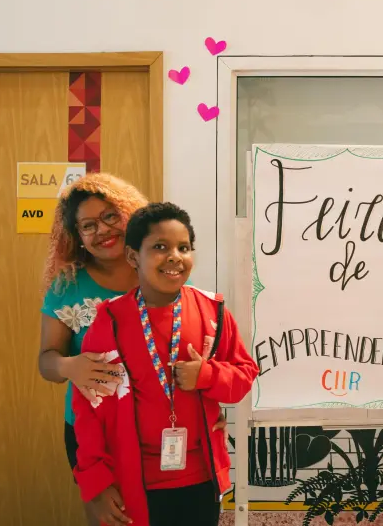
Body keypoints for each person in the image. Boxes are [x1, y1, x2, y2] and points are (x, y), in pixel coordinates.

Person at [37, 174, 226, 526]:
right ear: (77, 236)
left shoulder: (163, 269)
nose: (103, 230)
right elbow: (46, 360)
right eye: (88, 225)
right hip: (96, 435)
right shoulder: (67, 286)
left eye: (111, 216)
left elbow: (211, 354)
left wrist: (207, 394)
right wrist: (69, 366)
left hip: (173, 441)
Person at [72, 202, 258, 526]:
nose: (174, 256)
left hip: (201, 481)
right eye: (160, 247)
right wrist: (96, 484)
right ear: (133, 257)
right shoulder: (111, 321)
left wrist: (208, 375)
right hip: (132, 482)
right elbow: (88, 408)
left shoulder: (212, 311)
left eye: (183, 247)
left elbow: (243, 376)